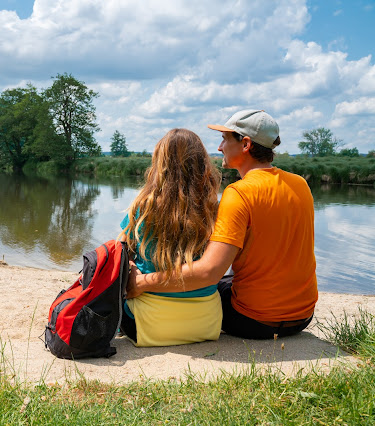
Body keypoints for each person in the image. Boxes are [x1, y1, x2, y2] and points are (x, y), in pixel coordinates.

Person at [127, 110, 317, 340]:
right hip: (303, 317)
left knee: (210, 287)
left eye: (225, 139)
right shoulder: (300, 185)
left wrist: (142, 283)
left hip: (254, 321)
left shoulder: (238, 193)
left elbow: (208, 272)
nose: (219, 147)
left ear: (246, 144)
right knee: (226, 281)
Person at [118, 128, 223, 346]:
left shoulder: (143, 207)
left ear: (160, 164)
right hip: (207, 324)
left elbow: (119, 251)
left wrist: (132, 268)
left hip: (144, 324)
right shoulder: (216, 210)